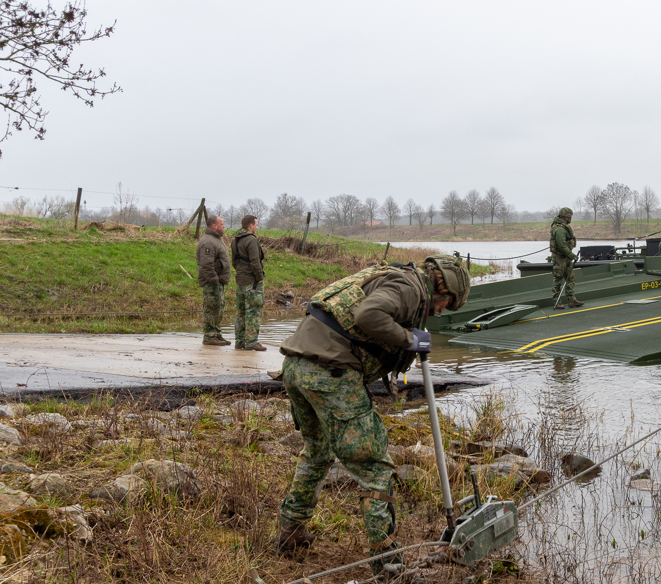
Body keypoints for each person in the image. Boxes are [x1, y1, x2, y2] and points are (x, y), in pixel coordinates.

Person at [274, 254, 471, 573]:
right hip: (330, 373)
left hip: (297, 367)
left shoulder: (391, 275)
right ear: (442, 289)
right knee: (376, 470)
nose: (438, 312)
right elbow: (369, 314)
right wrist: (410, 339)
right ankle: (389, 566)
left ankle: (291, 532)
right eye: (444, 306)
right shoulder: (410, 288)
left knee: (317, 453)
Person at [231, 214, 266, 351]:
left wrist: (241, 272)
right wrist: (259, 277)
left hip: (240, 280)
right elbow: (255, 261)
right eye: (256, 225)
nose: (257, 227)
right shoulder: (251, 240)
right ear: (250, 226)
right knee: (253, 311)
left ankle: (239, 341)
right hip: (252, 282)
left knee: (240, 312)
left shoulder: (235, 240)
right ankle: (251, 342)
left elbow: (234, 261)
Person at [196, 215, 231, 346]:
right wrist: (214, 279)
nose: (224, 226)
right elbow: (206, 264)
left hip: (219, 281)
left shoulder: (216, 239)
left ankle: (216, 333)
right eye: (222, 224)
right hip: (212, 283)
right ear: (214, 226)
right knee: (211, 308)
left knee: (219, 308)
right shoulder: (208, 242)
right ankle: (209, 336)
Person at [549, 207, 583, 309]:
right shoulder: (559, 229)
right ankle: (557, 301)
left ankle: (571, 300)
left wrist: (570, 256)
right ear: (565, 216)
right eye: (569, 216)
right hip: (560, 258)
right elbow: (561, 246)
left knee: (571, 279)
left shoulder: (564, 227)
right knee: (558, 280)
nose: (570, 218)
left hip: (566, 258)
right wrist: (572, 256)